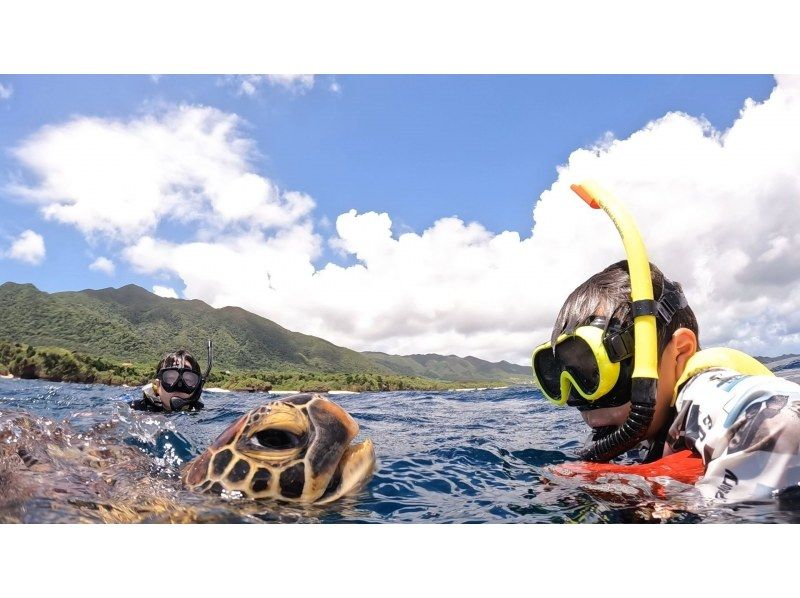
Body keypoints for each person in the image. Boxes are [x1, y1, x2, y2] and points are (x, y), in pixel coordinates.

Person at [531, 182, 800, 501]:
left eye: (590, 366)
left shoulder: (707, 392)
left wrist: (637, 485)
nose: (577, 394)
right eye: (559, 370)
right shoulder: (632, 424)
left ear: (679, 354)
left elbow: (781, 421)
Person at [130, 342, 212, 413]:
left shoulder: (200, 413)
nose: (179, 385)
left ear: (196, 389)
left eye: (188, 380)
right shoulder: (134, 409)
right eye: (170, 378)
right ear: (157, 385)